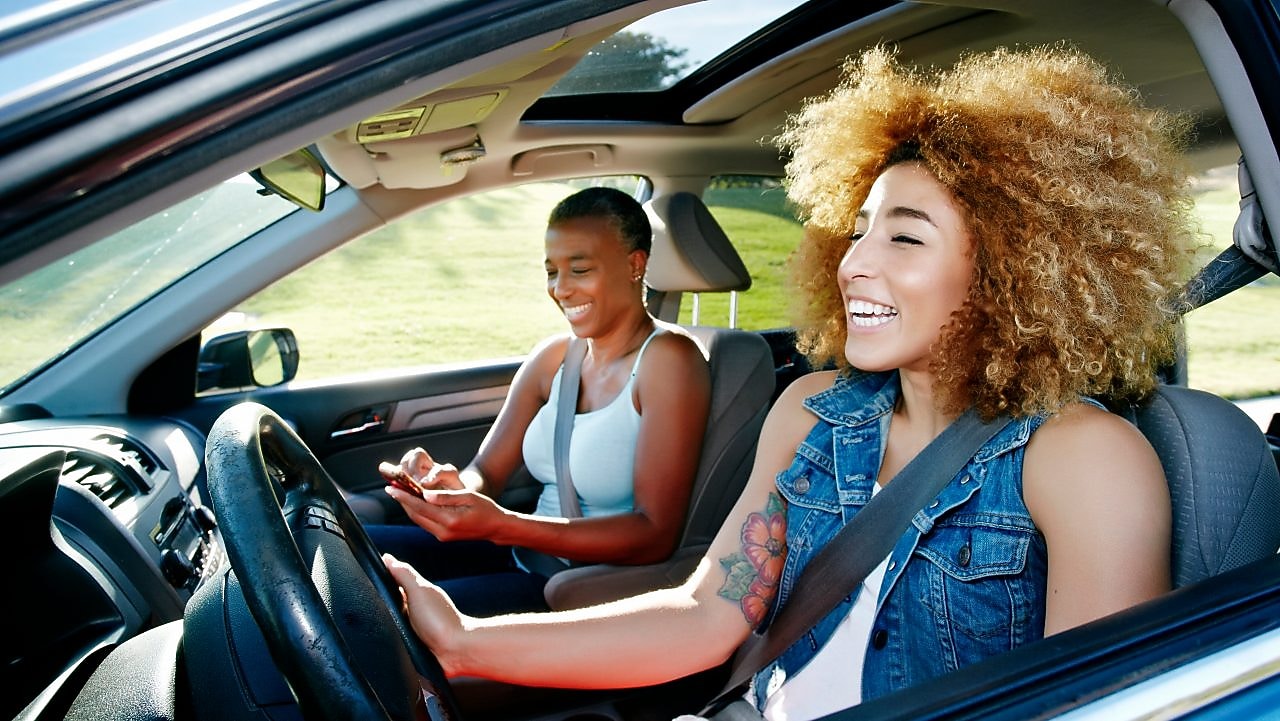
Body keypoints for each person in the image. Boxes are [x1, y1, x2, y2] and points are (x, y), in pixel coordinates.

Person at [383, 45, 1195, 716]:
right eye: (859, 229)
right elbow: (707, 614)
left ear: (1014, 270)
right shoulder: (812, 411)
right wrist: (462, 640)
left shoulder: (1084, 459)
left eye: (905, 239)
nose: (855, 263)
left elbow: (1098, 706)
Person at [370, 186, 712, 617]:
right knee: (348, 547)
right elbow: (487, 473)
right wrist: (451, 486)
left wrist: (502, 524)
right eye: (552, 271)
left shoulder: (669, 360)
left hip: (583, 591)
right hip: (520, 555)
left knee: (382, 615)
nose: (561, 289)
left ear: (635, 264)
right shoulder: (553, 358)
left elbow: (654, 534)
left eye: (580, 269)